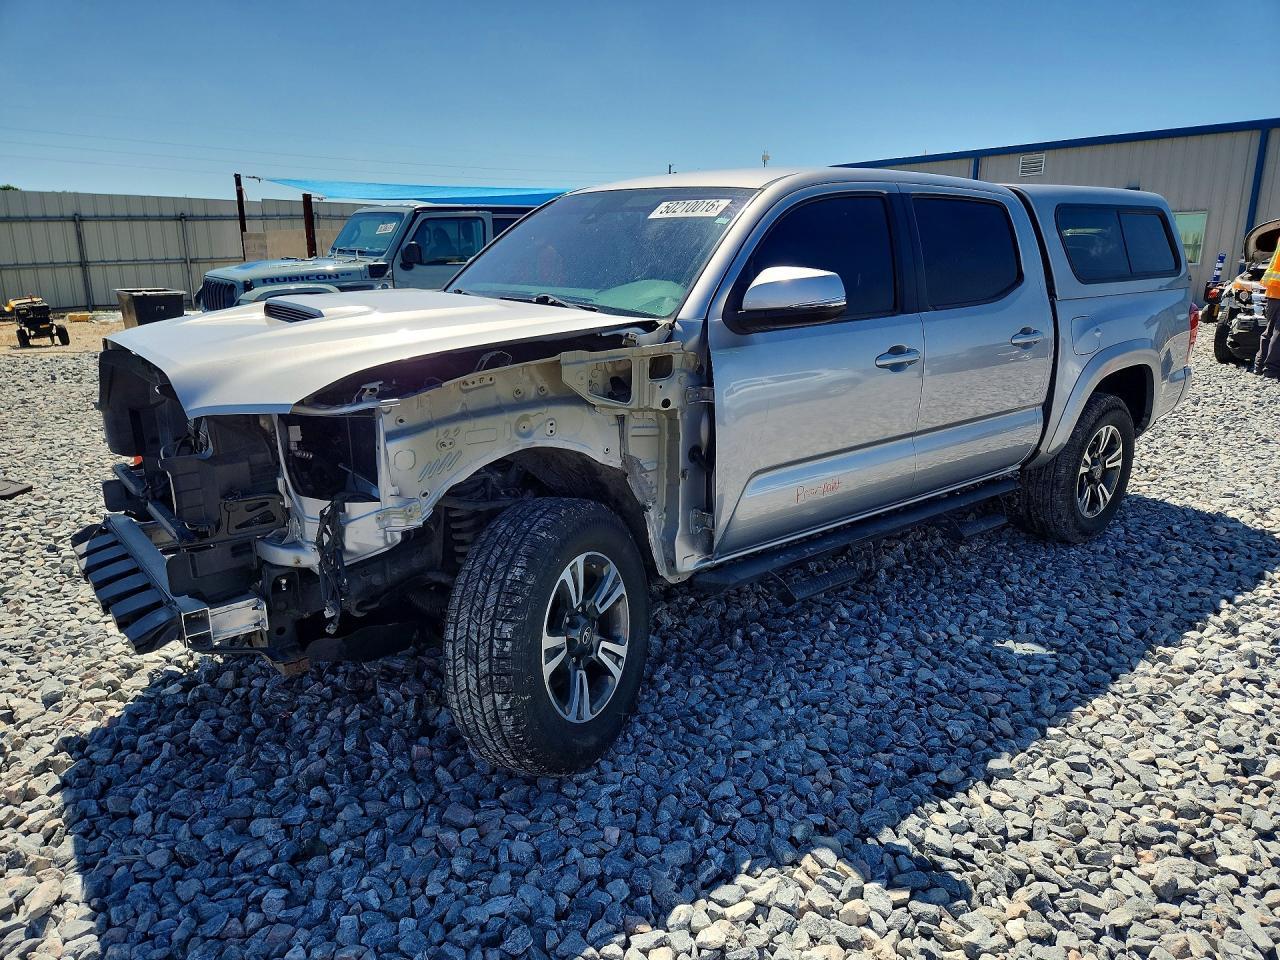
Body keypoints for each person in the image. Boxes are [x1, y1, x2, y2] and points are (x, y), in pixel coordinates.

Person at [1255, 243, 1280, 379]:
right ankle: (1271, 370)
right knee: (1278, 333)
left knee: (1269, 331)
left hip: (1273, 292)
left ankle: (1259, 366)